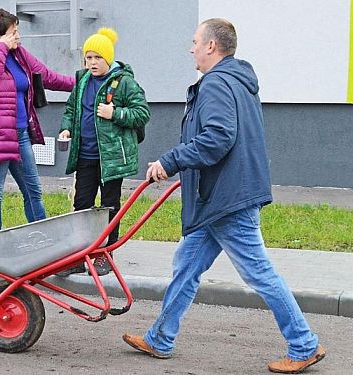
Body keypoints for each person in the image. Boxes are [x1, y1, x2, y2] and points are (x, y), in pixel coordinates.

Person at [122, 18, 325, 374]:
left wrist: (171, 161)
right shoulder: (236, 81)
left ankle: (304, 344)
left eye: (195, 42)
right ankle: (161, 337)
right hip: (217, 196)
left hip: (228, 198)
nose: (191, 49)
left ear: (212, 46)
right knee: (186, 266)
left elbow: (217, 139)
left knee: (259, 273)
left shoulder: (216, 84)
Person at [0, 9, 74, 233]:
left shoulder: (20, 55)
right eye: (14, 33)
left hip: (20, 135)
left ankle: (41, 241)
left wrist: (81, 82)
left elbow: (47, 76)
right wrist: (1, 49)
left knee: (33, 191)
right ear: (0, 36)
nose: (18, 37)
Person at [57, 28, 150, 276]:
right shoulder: (82, 80)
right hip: (85, 156)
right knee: (82, 206)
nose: (92, 63)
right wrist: (67, 128)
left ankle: (104, 255)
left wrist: (115, 113)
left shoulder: (124, 82)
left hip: (111, 159)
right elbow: (71, 110)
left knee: (109, 206)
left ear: (108, 59)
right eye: (88, 57)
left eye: (98, 58)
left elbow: (142, 113)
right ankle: (79, 256)